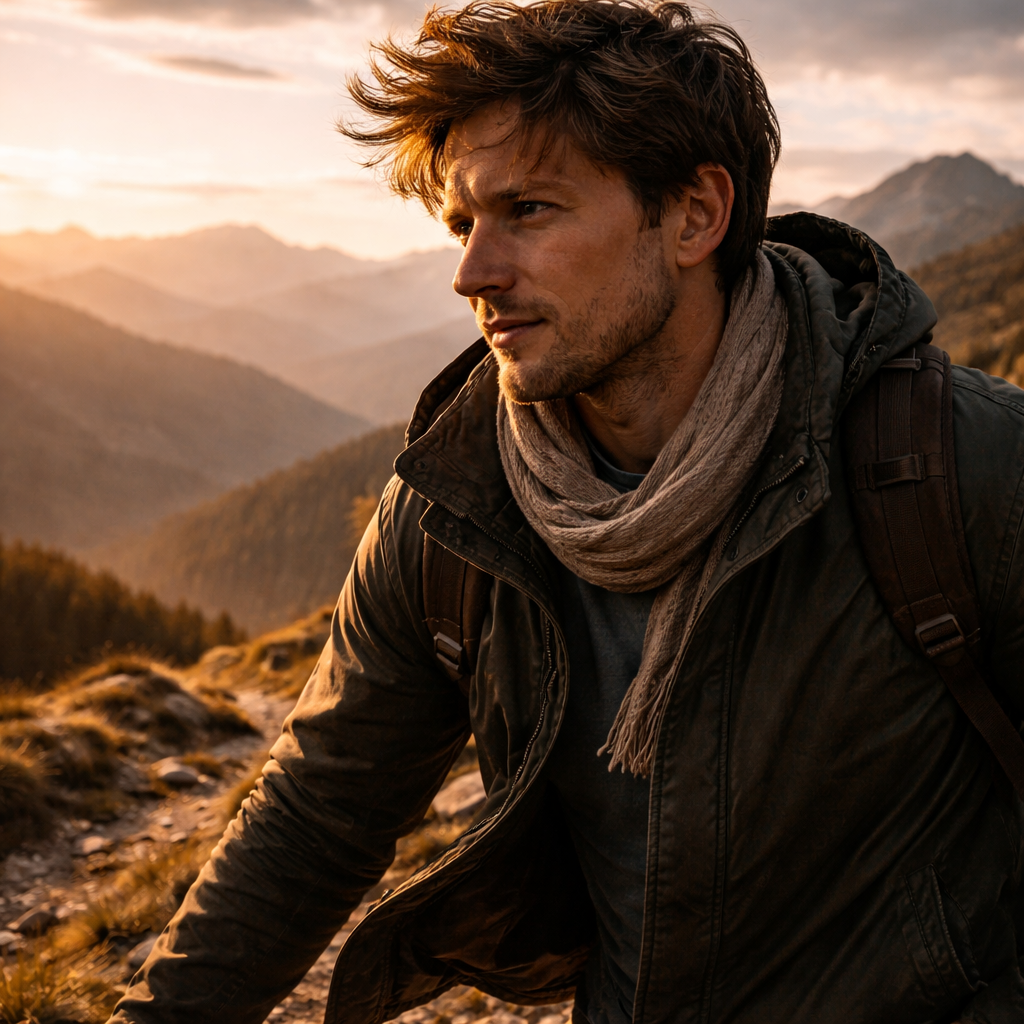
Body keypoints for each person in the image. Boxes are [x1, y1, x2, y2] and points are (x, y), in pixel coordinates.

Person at [109, 2, 1024, 1022]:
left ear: (692, 215)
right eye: (463, 223)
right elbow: (318, 810)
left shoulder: (951, 463)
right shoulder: (455, 505)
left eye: (529, 211)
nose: (473, 273)